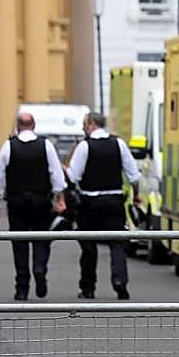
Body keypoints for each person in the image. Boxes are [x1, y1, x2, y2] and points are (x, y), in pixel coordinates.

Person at [0, 113, 68, 301]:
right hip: (41, 200)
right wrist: (60, 198)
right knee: (42, 238)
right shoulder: (46, 145)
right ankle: (40, 267)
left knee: (19, 242)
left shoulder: (9, 146)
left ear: (18, 126)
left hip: (17, 201)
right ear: (34, 125)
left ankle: (21, 287)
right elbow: (56, 174)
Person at [66, 112, 141, 300]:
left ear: (91, 124)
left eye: (84, 124)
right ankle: (119, 281)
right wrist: (136, 196)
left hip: (90, 202)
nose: (83, 128)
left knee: (89, 246)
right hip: (115, 200)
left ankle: (88, 287)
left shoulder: (84, 146)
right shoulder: (119, 144)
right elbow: (134, 175)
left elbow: (74, 176)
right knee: (117, 244)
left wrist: (64, 170)